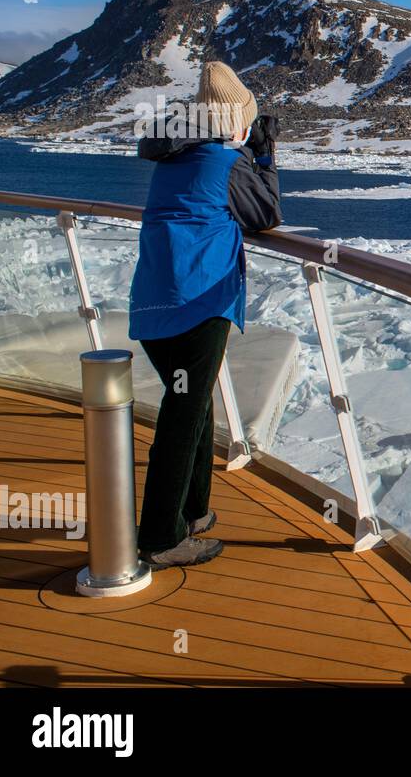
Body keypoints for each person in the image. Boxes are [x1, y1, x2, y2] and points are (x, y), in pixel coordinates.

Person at [129, 61, 282, 569]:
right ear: (235, 123)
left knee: (193, 404)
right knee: (182, 415)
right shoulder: (224, 162)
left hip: (156, 297)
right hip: (198, 302)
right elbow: (266, 214)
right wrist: (265, 154)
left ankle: (192, 510)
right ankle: (160, 538)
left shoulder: (174, 158)